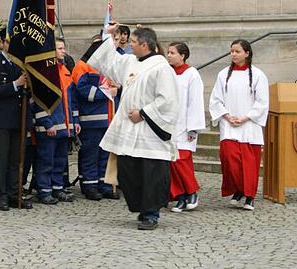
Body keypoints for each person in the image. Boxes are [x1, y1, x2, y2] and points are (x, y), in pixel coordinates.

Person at [84, 24, 179, 230]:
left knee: (150, 174)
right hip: (129, 129)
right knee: (129, 171)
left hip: (150, 131)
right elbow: (109, 62)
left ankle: (151, 214)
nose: (130, 46)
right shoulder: (130, 62)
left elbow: (168, 100)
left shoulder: (161, 68)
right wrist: (108, 35)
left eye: (133, 42)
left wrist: (143, 114)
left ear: (145, 44)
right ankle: (140, 207)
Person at [208, 39, 269, 211]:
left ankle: (249, 196)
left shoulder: (258, 75)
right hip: (229, 125)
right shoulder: (223, 74)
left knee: (249, 163)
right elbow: (215, 100)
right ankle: (238, 189)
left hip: (249, 125)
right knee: (229, 160)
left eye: (237, 51)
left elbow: (262, 102)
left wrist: (245, 118)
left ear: (247, 53)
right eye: (232, 51)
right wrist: (227, 116)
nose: (233, 54)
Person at [0, 28, 33, 211]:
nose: (11, 45)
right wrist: (16, 84)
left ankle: (15, 193)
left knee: (16, 159)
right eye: (7, 42)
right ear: (1, 44)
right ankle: (1, 195)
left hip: (20, 117)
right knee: (2, 159)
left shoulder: (21, 65)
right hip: (3, 118)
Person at [30, 38, 78, 204]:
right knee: (46, 161)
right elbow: (39, 100)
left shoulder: (65, 70)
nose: (63, 51)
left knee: (60, 161)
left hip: (64, 126)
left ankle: (58, 189)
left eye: (63, 48)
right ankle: (44, 191)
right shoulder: (45, 73)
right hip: (50, 127)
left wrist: (75, 121)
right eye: (59, 48)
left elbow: (71, 100)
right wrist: (46, 123)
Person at [72, 35, 119, 201]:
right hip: (91, 120)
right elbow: (82, 91)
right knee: (90, 155)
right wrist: (106, 92)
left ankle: (104, 185)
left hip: (108, 120)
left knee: (105, 156)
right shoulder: (82, 66)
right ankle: (90, 185)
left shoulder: (106, 67)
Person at [166, 42, 206, 212]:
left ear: (182, 55)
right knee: (171, 162)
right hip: (168, 125)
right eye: (168, 52)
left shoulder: (192, 74)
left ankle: (191, 191)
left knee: (182, 161)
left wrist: (193, 127)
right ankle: (180, 196)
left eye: (172, 53)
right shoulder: (167, 73)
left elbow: (195, 101)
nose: (168, 55)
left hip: (184, 125)